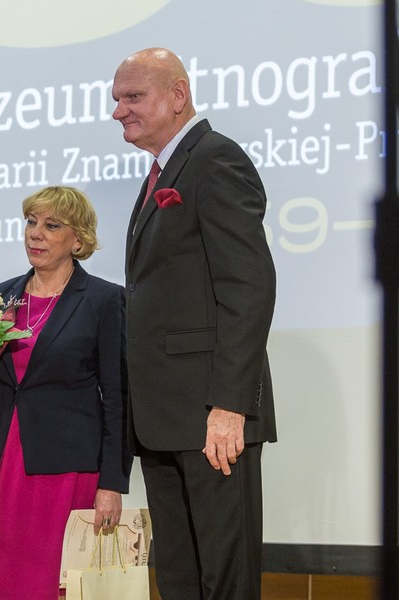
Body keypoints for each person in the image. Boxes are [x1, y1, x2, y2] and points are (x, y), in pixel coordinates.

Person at [112, 47, 277, 600]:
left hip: (211, 419)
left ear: (178, 95)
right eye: (117, 99)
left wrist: (230, 406)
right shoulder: (163, 171)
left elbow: (248, 288)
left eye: (133, 97)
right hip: (163, 420)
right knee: (180, 580)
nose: (118, 111)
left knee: (225, 581)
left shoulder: (215, 159)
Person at [0, 186, 131, 599]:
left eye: (52, 225)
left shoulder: (103, 299)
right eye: (31, 222)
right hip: (5, 462)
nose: (35, 233)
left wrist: (112, 483)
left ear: (78, 240)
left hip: (66, 469)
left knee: (52, 584)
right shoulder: (0, 296)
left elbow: (118, 399)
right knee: (0, 581)